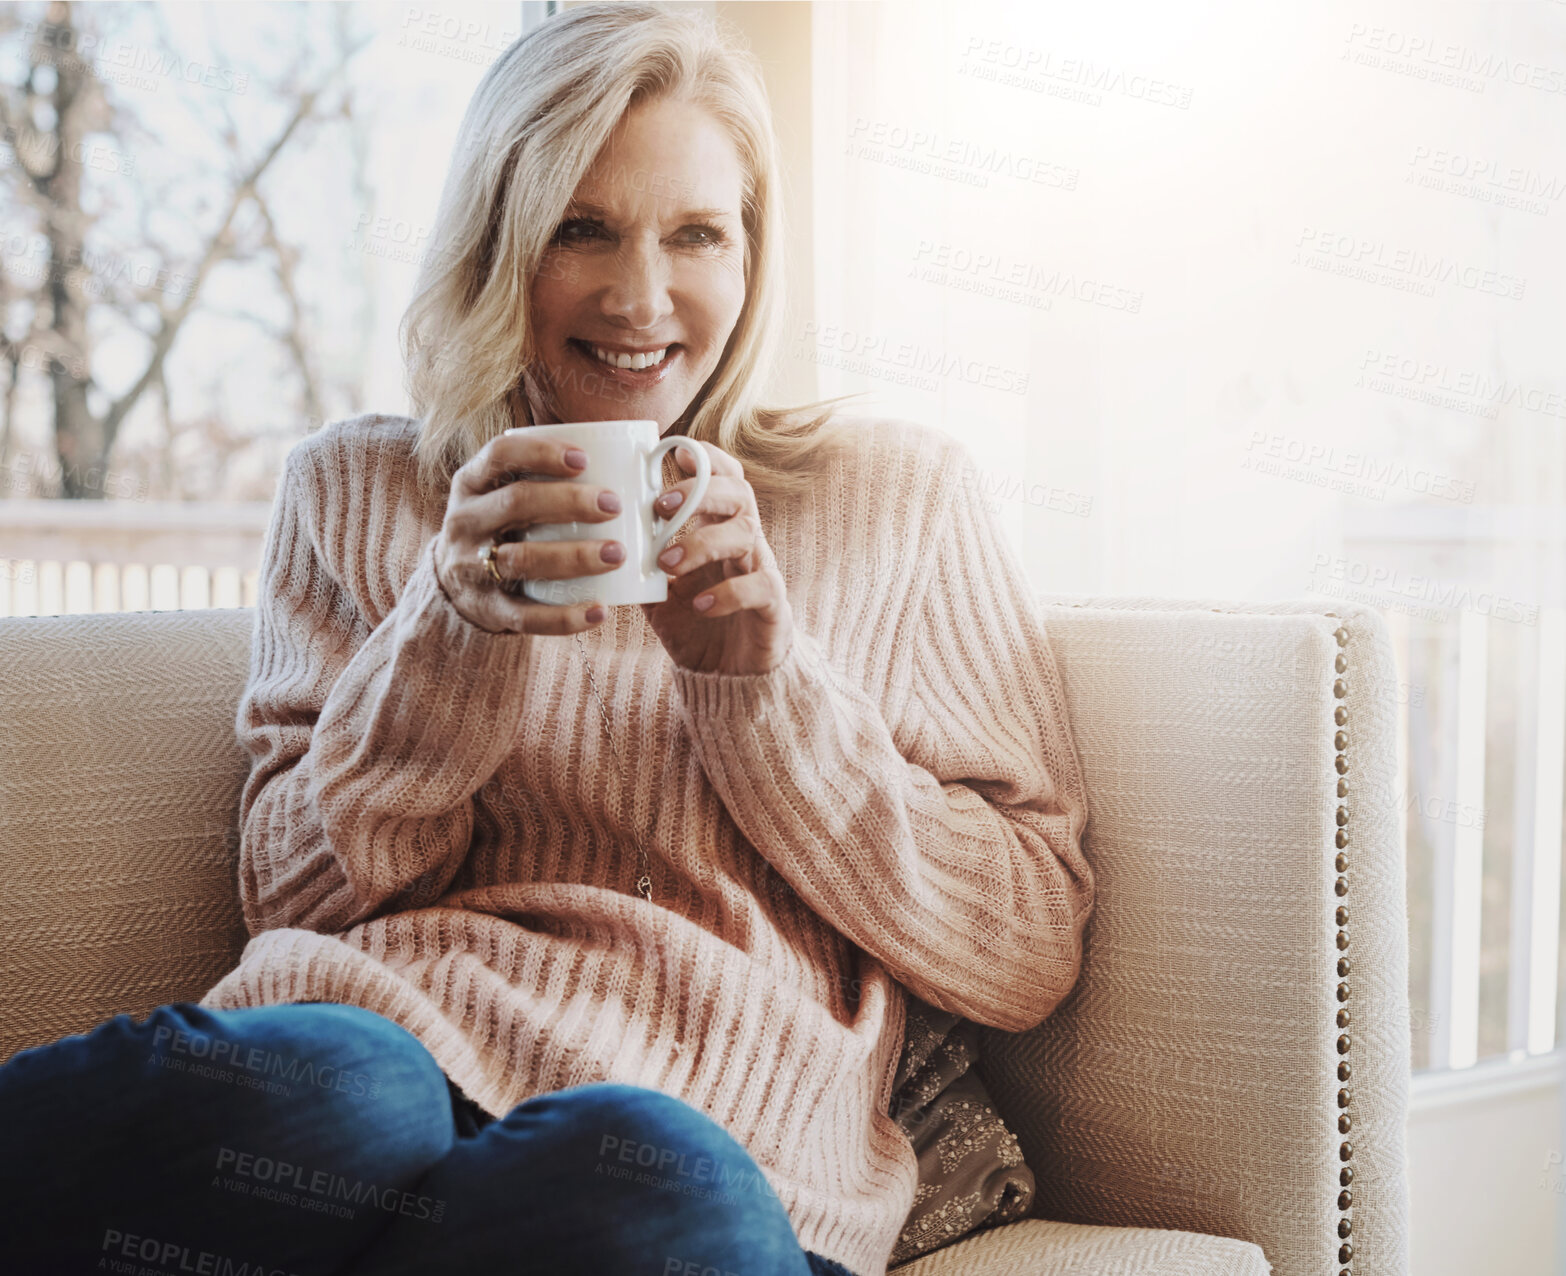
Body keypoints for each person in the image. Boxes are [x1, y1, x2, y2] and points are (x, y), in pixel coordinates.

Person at [0, 5, 1093, 1274]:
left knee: (652, 1179)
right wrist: (445, 642)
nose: (641, 296)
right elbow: (284, 898)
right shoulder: (359, 491)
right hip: (390, 1048)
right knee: (342, 1090)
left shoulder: (896, 498)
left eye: (696, 233)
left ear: (751, 257)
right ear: (499, 245)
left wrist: (766, 690)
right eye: (582, 228)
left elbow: (1029, 946)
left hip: (707, 1133)